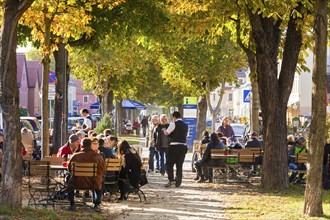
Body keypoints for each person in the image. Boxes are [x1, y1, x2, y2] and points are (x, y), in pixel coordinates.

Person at [66, 138, 105, 212]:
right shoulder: (98, 156)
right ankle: (97, 204)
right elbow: (102, 170)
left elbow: (69, 169)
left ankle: (72, 204)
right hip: (93, 183)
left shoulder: (75, 156)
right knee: (101, 179)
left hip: (77, 183)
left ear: (81, 145)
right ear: (90, 145)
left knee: (69, 178)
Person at [164, 111, 188, 188]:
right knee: (179, 165)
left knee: (169, 164)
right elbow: (186, 136)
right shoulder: (186, 125)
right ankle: (178, 181)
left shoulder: (173, 124)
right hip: (183, 146)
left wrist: (164, 130)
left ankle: (171, 179)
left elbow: (167, 133)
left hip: (174, 146)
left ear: (174, 117)